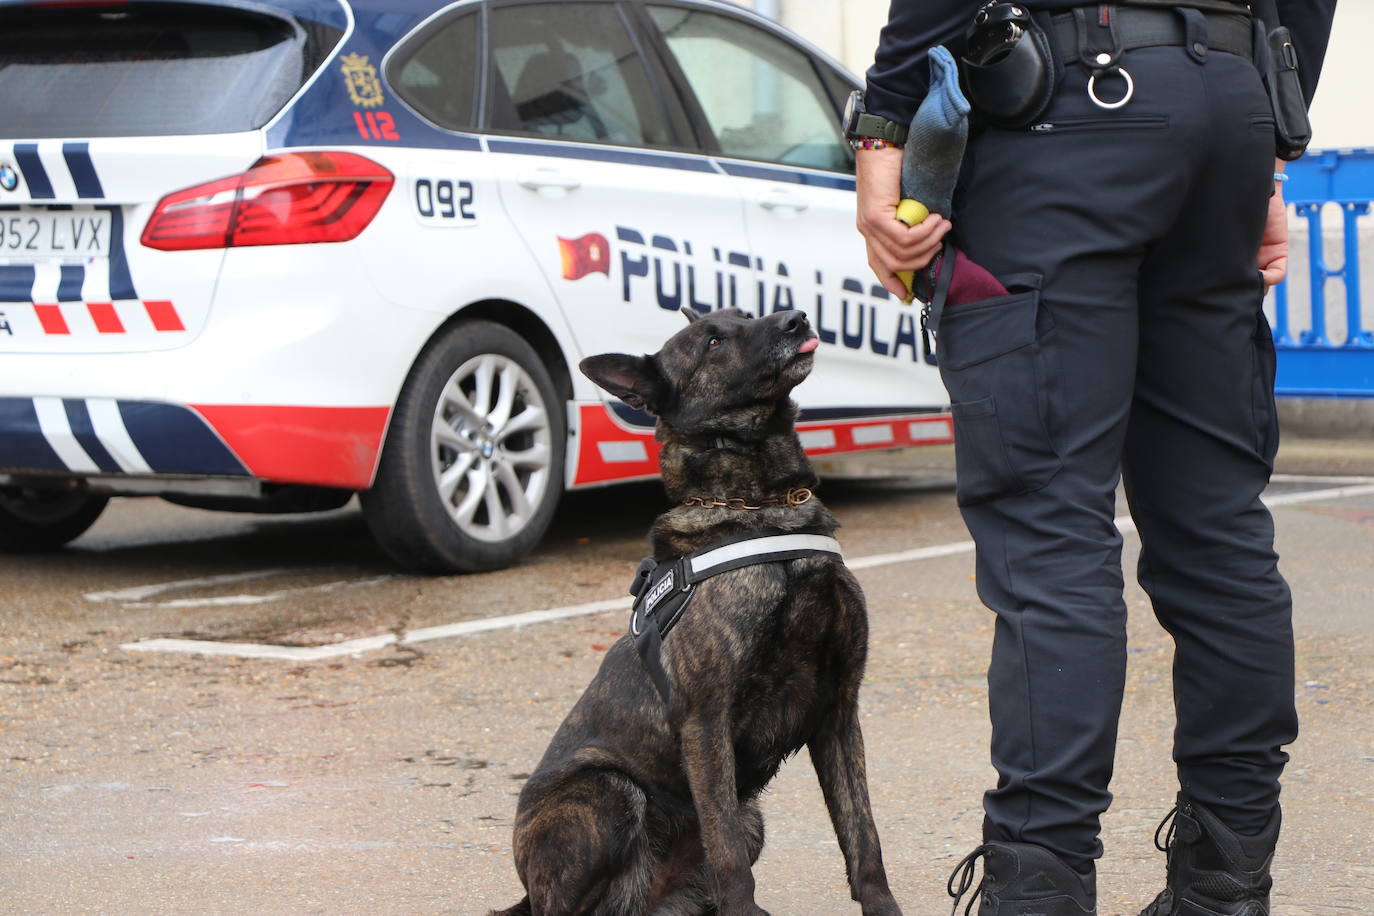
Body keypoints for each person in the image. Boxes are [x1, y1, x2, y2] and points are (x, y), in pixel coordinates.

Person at [849, 2, 1337, 914]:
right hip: (1228, 104)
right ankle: (1225, 891)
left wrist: (884, 129)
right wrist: (1270, 137)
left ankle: (1040, 891)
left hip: (1068, 112)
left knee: (1049, 531)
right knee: (1218, 527)